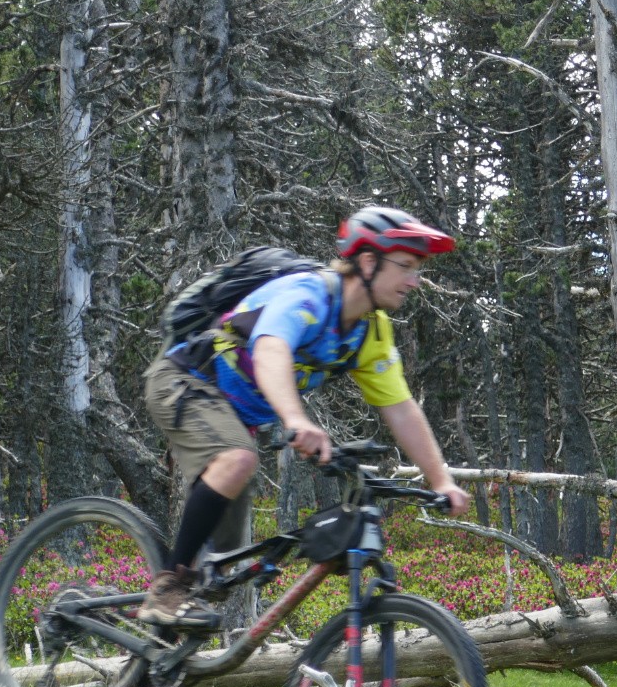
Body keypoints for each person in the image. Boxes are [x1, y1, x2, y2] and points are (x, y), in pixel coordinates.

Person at [140, 206, 471, 633]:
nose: (415, 280)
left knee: (224, 565)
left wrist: (440, 480)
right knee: (239, 460)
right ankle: (166, 588)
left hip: (233, 415)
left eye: (417, 270)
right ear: (368, 262)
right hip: (182, 381)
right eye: (405, 267)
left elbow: (401, 408)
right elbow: (270, 349)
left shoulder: (370, 331)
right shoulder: (308, 295)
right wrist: (296, 419)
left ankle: (162, 668)